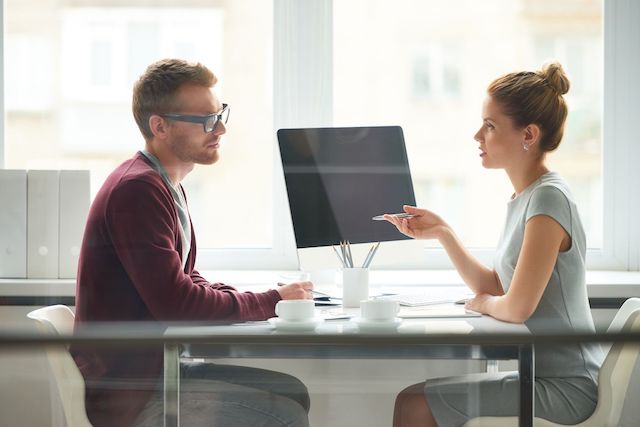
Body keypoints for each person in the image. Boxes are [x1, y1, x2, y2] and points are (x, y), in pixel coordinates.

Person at [71, 58, 313, 427]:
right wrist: (271, 301)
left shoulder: (164, 184)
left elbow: (185, 279)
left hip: (153, 369)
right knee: (283, 413)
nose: (220, 130)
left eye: (220, 115)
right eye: (205, 120)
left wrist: (262, 296)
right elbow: (178, 304)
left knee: (292, 390)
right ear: (160, 126)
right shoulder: (137, 190)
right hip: (131, 391)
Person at [387, 62, 604, 427]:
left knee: (414, 404)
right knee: (413, 400)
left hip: (567, 387)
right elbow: (500, 287)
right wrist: (445, 234)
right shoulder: (527, 196)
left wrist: (484, 303)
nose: (477, 135)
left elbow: (515, 307)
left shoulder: (548, 200)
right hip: (542, 375)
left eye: (490, 126)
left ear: (528, 135)